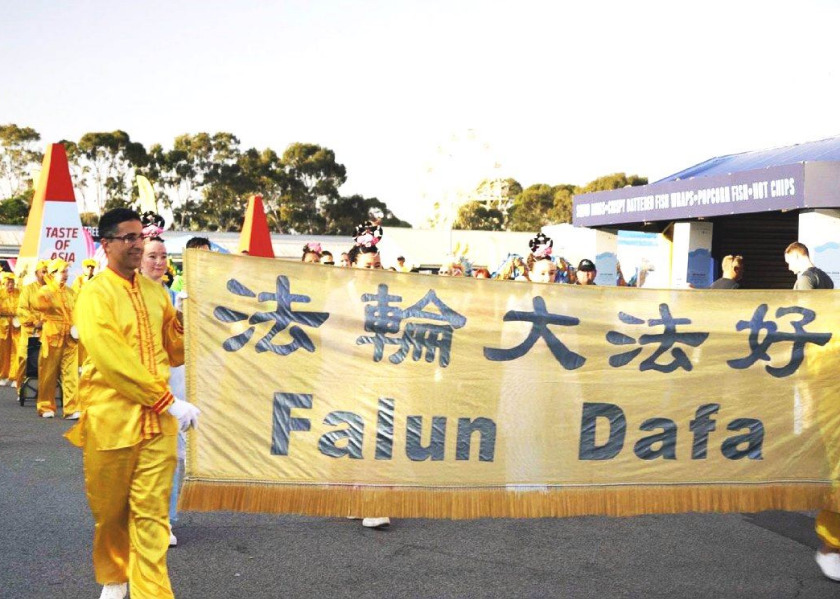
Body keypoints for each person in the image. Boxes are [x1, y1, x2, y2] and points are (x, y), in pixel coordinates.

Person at [67, 208, 200, 599]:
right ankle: (114, 573)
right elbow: (111, 360)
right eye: (128, 238)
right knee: (110, 513)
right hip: (112, 421)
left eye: (140, 237)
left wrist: (190, 315)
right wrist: (168, 400)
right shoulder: (94, 294)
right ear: (105, 244)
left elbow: (174, 352)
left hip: (158, 426)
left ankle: (152, 593)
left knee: (153, 516)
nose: (138, 244)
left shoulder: (157, 293)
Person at [139, 214, 185, 548]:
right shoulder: (126, 293)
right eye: (151, 256)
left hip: (171, 380)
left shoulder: (172, 296)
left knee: (171, 453)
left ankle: (164, 519)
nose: (158, 262)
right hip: (136, 383)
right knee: (137, 454)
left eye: (163, 256)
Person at [348, 223, 388, 529]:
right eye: (366, 266)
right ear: (352, 265)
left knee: (380, 434)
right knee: (353, 433)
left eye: (376, 265)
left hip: (382, 371)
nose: (372, 271)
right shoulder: (341, 292)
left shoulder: (390, 293)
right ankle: (354, 497)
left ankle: (376, 503)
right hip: (348, 371)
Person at [34, 259, 80, 419]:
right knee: (48, 373)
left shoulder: (70, 292)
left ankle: (72, 408)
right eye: (62, 271)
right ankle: (45, 406)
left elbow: (77, 311)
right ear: (53, 274)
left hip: (70, 337)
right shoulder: (45, 291)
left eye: (67, 271)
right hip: (52, 335)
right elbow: (39, 305)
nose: (66, 275)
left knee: (71, 373)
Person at [15, 260, 47, 390]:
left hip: (48, 331)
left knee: (46, 361)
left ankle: (45, 390)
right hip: (30, 331)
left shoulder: (53, 290)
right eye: (43, 272)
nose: (46, 275)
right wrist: (34, 321)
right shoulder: (28, 290)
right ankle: (20, 388)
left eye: (48, 272)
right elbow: (22, 309)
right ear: (36, 274)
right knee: (24, 359)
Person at [0, 273, 20, 386]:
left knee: (16, 350)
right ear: (3, 284)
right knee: (3, 352)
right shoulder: (1, 293)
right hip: (3, 325)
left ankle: (15, 377)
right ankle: (3, 375)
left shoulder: (19, 292)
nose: (11, 285)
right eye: (8, 283)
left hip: (16, 325)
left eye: (12, 282)